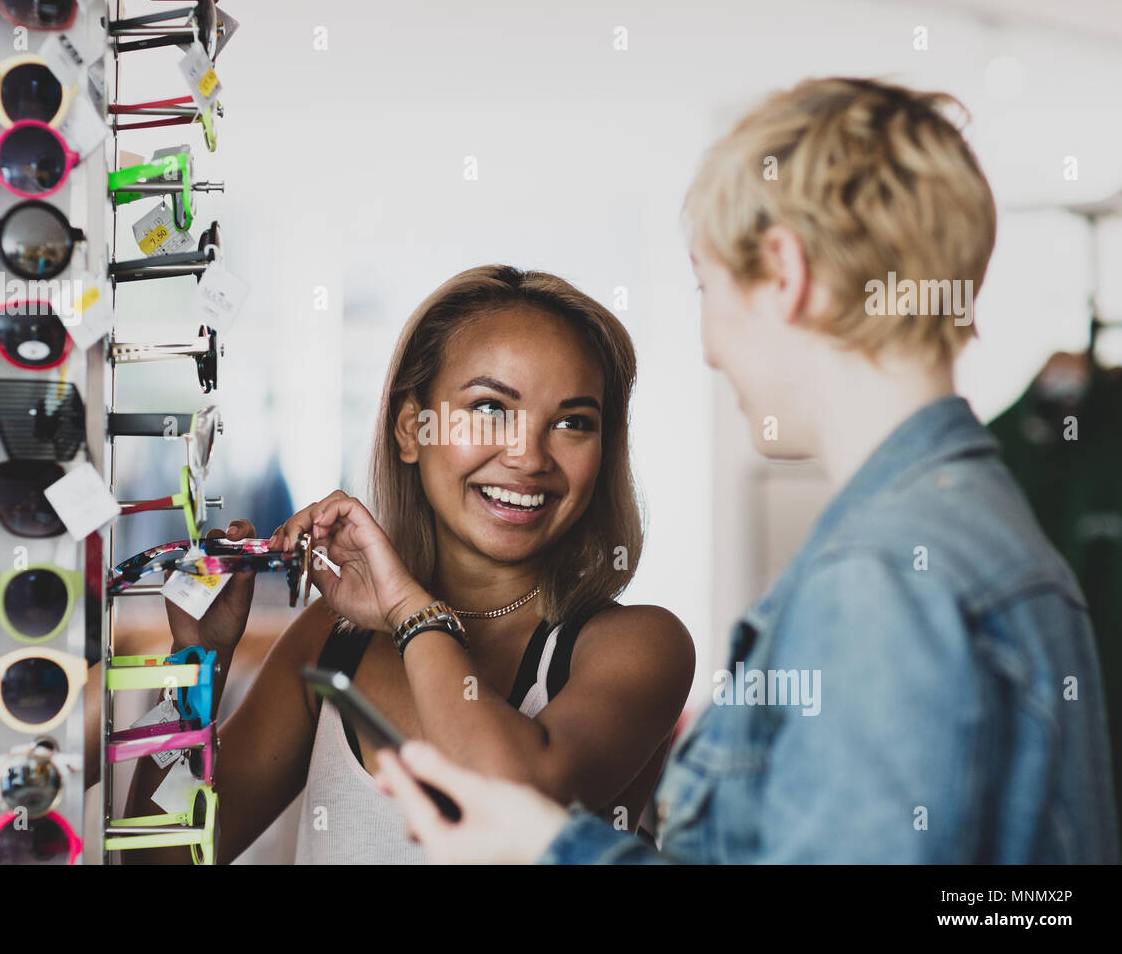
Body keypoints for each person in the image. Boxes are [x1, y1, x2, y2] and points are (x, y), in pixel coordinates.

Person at [375, 76, 1120, 864]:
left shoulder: (883, 576)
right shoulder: (976, 527)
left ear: (784, 272)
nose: (708, 347)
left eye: (708, 288)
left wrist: (553, 851)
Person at [122, 265, 695, 863]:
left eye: (573, 422)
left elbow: (512, 798)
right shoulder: (331, 641)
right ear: (410, 429)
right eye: (491, 407)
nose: (529, 458)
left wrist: (408, 609)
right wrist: (197, 664)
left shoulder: (638, 645)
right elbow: (155, 859)